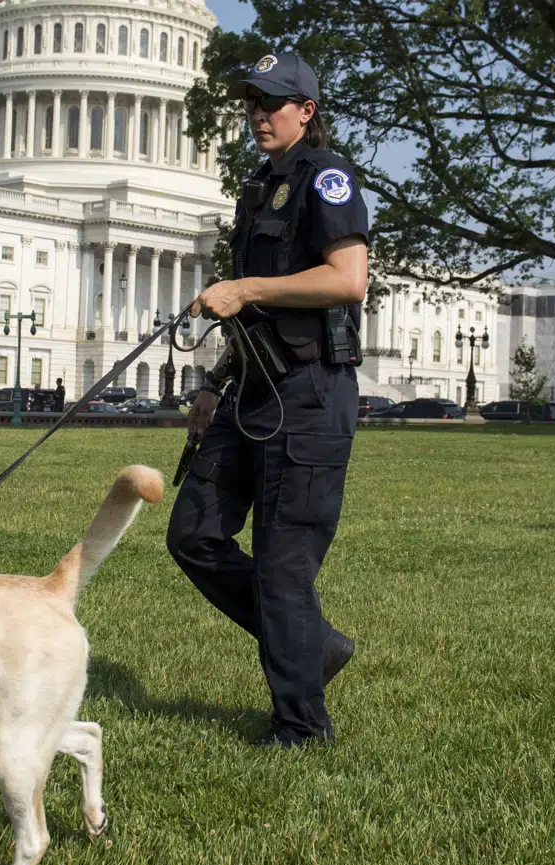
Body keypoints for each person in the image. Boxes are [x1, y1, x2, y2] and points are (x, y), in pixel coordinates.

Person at [165, 52, 368, 750]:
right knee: (192, 533)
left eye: (274, 102)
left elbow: (348, 279)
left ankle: (300, 726)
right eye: (253, 102)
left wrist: (246, 288)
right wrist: (212, 384)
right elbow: (253, 320)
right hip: (249, 392)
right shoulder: (256, 191)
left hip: (311, 396)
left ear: (306, 111)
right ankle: (312, 644)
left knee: (283, 568)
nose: (259, 114)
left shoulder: (328, 176)